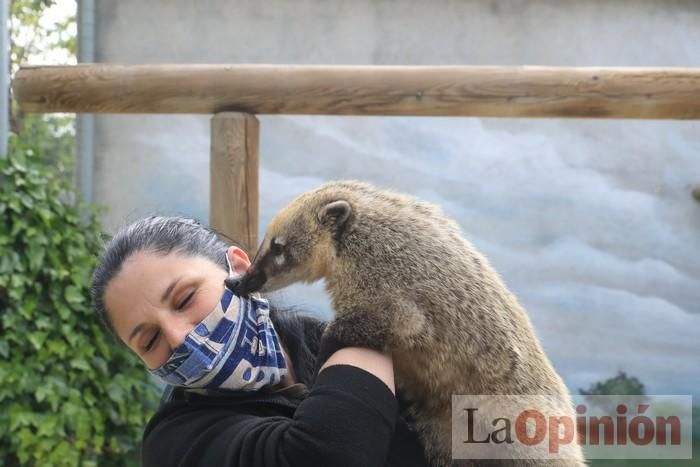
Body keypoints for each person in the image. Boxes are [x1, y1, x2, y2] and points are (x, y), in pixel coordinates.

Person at [90, 216, 430, 467]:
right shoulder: (177, 443)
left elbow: (474, 432)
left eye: (184, 299)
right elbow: (327, 455)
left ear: (240, 267)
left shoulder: (318, 342)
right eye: (150, 341)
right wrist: (373, 323)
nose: (180, 337)